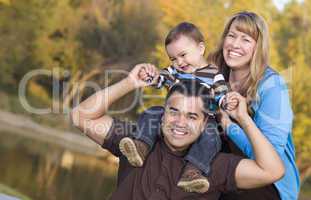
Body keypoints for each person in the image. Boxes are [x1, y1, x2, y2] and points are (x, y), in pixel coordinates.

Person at [70, 65, 285, 199]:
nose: (180, 122)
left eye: (192, 116)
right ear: (162, 113)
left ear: (204, 124)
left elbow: (272, 171)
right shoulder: (135, 141)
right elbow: (81, 116)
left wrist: (244, 119)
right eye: (174, 111)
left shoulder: (215, 166)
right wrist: (130, 83)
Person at [117, 22, 236, 193]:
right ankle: (141, 146)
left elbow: (221, 95)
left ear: (200, 48)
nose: (178, 62)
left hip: (201, 122)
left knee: (211, 136)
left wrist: (226, 102)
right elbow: (160, 79)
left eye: (183, 55)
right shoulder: (174, 71)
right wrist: (150, 75)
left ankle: (193, 171)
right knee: (152, 113)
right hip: (172, 118)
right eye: (173, 58)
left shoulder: (214, 75)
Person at [207, 11, 300, 200]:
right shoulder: (215, 77)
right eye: (231, 36)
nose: (234, 44)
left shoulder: (272, 86)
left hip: (266, 182)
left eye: (246, 39)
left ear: (258, 47)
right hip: (222, 169)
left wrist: (230, 124)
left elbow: (269, 158)